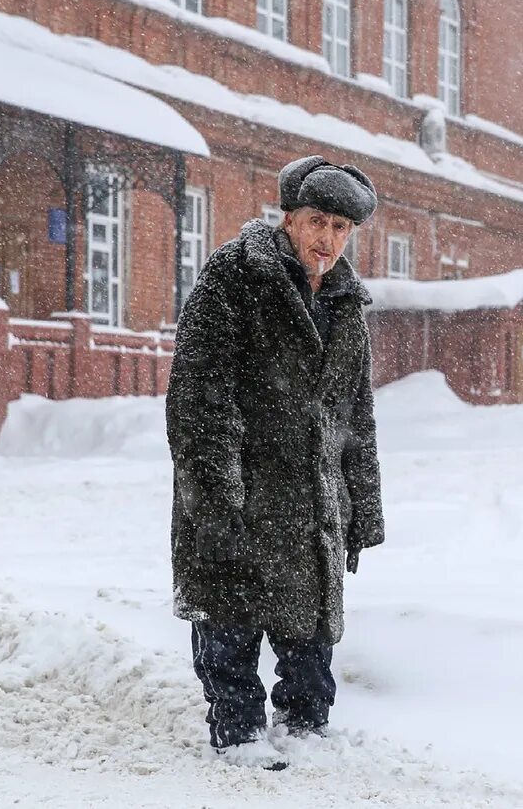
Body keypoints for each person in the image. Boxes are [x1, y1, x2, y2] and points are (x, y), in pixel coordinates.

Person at [166, 156, 384, 768]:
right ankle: (237, 734)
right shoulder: (234, 279)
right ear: (287, 217)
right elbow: (200, 402)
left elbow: (355, 414)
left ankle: (306, 728)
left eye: (342, 229)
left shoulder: (345, 301)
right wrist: (215, 501)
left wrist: (361, 508)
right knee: (231, 620)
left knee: (308, 626)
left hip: (312, 498)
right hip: (241, 490)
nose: (328, 240)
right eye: (318, 222)